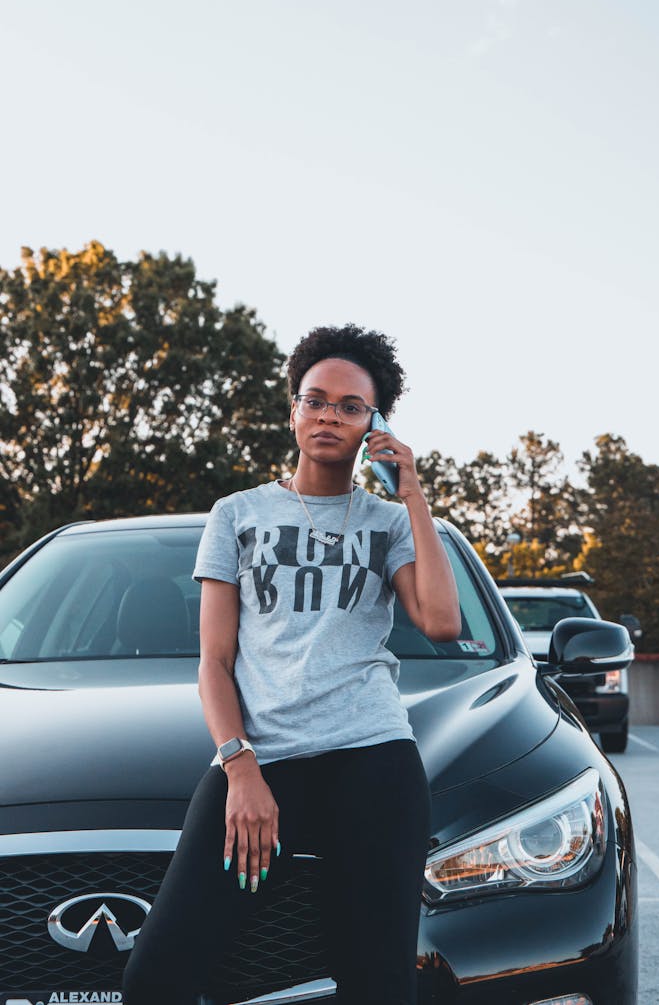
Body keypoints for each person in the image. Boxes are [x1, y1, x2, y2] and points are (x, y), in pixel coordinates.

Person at [122, 323, 461, 1005]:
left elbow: (441, 620)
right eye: (316, 399)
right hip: (264, 758)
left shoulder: (389, 522)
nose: (329, 414)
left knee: (378, 983)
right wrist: (239, 765)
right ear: (293, 410)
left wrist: (413, 494)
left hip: (373, 758)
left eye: (350, 405)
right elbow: (214, 662)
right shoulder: (238, 514)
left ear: (375, 423)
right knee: (156, 977)